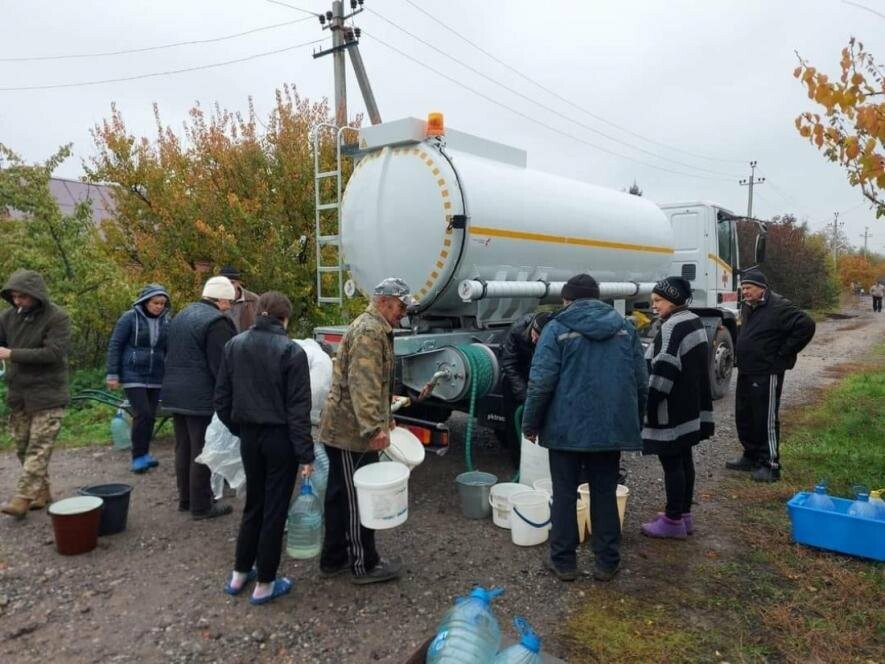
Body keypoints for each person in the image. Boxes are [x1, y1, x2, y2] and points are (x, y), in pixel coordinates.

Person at [522, 274, 647, 582]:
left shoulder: (556, 329)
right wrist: (633, 420)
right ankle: (607, 562)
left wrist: (531, 423)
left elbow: (541, 382)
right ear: (598, 298)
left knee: (564, 494)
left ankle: (563, 562)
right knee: (604, 492)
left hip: (565, 430)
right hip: (610, 429)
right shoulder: (625, 328)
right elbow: (641, 382)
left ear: (567, 300)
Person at [215, 291, 314, 605]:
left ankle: (239, 574)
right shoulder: (292, 352)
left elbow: (221, 400)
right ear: (285, 318)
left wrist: (241, 429)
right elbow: (299, 410)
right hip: (280, 439)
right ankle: (266, 584)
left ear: (258, 312)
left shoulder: (234, 345)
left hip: (250, 437)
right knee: (274, 511)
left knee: (253, 505)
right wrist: (306, 454)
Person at [318, 277, 412, 585]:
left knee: (338, 495)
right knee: (356, 498)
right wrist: (373, 428)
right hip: (351, 434)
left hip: (344, 428)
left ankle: (333, 558)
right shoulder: (370, 332)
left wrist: (385, 419)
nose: (404, 312)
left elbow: (373, 384)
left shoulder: (373, 327)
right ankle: (364, 564)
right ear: (384, 301)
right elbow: (364, 384)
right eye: (401, 305)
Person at [640, 277, 714, 539]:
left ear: (673, 299)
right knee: (684, 460)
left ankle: (672, 522)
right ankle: (683, 515)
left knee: (672, 463)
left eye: (658, 301)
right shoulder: (694, 320)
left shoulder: (672, 326)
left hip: (669, 412)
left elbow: (664, 370)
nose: (654, 306)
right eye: (653, 301)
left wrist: (647, 405)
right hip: (688, 409)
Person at [727, 268, 815, 482]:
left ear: (761, 288)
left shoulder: (780, 306)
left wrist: (783, 353)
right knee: (745, 415)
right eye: (743, 289)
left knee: (764, 418)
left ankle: (770, 464)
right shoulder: (749, 306)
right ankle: (751, 456)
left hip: (766, 371)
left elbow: (807, 325)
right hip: (747, 369)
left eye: (748, 288)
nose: (744, 292)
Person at [161, 275, 237, 519]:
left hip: (174, 390)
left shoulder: (182, 315)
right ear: (224, 300)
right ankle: (201, 506)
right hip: (199, 395)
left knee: (183, 446)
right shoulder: (217, 323)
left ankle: (185, 499)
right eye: (231, 302)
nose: (230, 307)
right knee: (202, 449)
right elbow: (222, 366)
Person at [0, 270, 72, 518]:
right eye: (15, 296)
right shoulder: (7, 318)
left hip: (48, 395)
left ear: (36, 295)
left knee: (38, 449)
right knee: (22, 447)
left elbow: (53, 353)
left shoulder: (57, 318)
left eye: (23, 296)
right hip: (19, 395)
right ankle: (41, 492)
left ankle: (22, 498)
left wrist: (12, 354)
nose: (18, 301)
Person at [106, 284, 171, 473]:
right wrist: (112, 373)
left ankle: (145, 454)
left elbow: (168, 348)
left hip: (156, 373)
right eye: (155, 302)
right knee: (142, 413)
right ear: (145, 301)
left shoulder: (166, 321)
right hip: (133, 373)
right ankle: (137, 457)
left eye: (162, 303)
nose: (159, 306)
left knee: (150, 416)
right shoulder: (129, 318)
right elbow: (115, 345)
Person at [500, 311, 552, 468]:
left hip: (537, 381)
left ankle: (542, 463)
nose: (536, 340)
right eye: (535, 335)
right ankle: (518, 464)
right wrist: (523, 394)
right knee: (514, 424)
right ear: (532, 328)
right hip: (516, 380)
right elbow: (509, 363)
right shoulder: (517, 330)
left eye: (541, 339)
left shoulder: (553, 332)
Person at [219, 265, 259, 333]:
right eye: (225, 283)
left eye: (232, 282)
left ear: (238, 283)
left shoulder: (254, 300)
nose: (229, 286)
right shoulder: (215, 301)